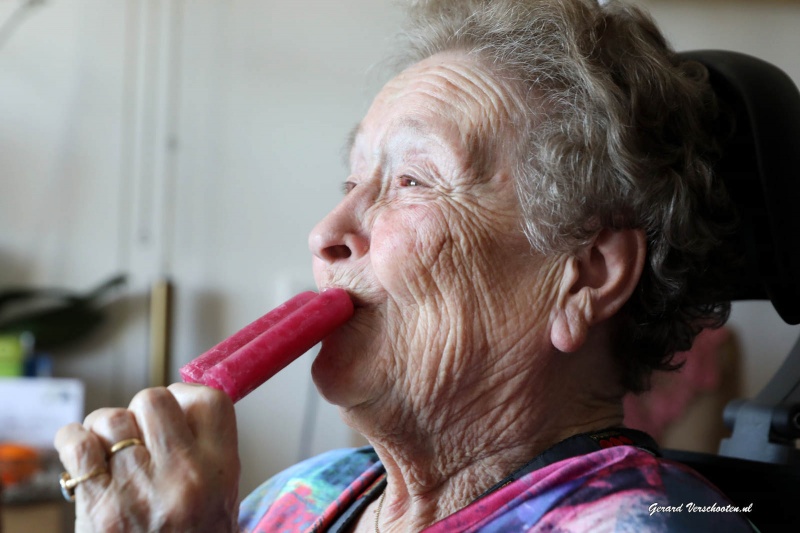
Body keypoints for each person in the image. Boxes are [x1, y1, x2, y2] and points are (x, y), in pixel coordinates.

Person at [54, 0, 756, 531]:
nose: (326, 233)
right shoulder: (307, 494)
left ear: (589, 272)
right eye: (349, 183)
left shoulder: (641, 524)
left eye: (413, 181)